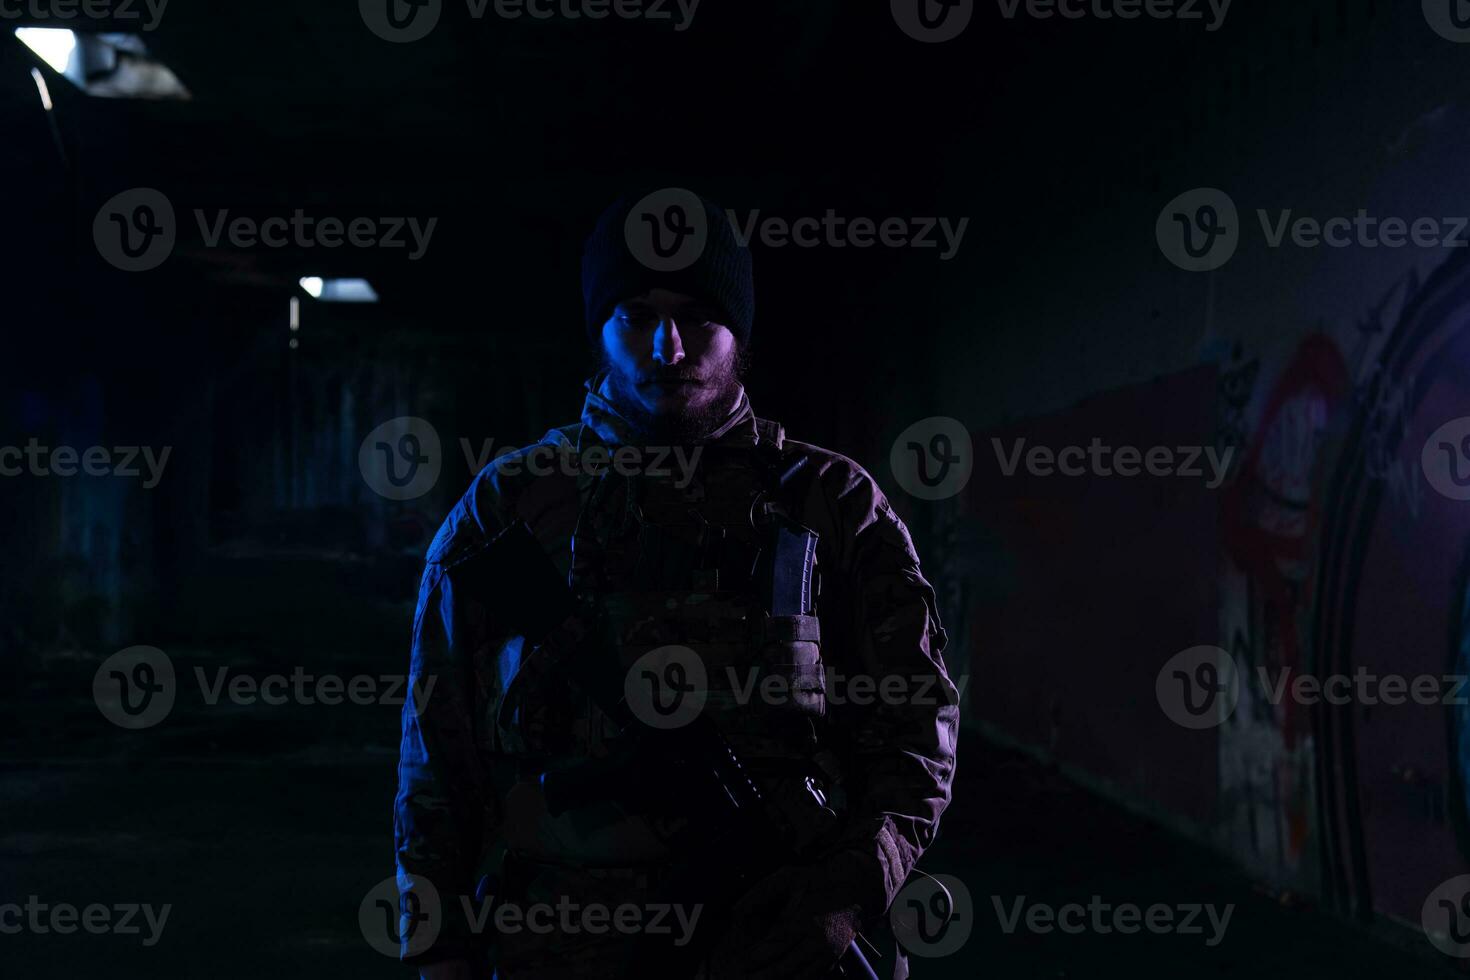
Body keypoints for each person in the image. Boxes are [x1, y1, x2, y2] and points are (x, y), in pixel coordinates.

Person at [395, 191, 959, 979]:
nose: (668, 344)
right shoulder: (505, 510)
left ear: (741, 333)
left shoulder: (831, 503)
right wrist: (441, 952)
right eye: (635, 314)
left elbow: (916, 727)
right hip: (555, 946)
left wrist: (848, 892)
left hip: (777, 937)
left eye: (699, 314)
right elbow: (437, 753)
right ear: (599, 331)